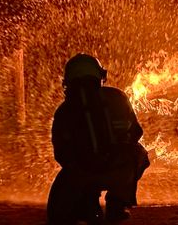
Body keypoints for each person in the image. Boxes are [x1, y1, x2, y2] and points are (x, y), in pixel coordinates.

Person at [47, 53, 150, 224]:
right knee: (139, 153)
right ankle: (117, 204)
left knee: (57, 216)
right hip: (117, 170)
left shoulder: (64, 111)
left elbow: (61, 154)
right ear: (100, 76)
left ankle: (87, 203)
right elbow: (136, 132)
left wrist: (81, 168)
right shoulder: (117, 97)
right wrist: (115, 153)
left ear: (67, 81)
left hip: (78, 177)